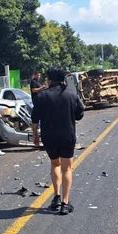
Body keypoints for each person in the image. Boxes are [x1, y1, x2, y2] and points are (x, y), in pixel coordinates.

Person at [31, 68, 85, 215]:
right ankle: (65, 203)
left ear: (50, 80)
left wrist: (35, 136)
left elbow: (34, 120)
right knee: (67, 168)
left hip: (49, 137)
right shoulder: (71, 94)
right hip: (67, 135)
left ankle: (56, 196)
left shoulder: (42, 96)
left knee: (55, 164)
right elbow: (80, 114)